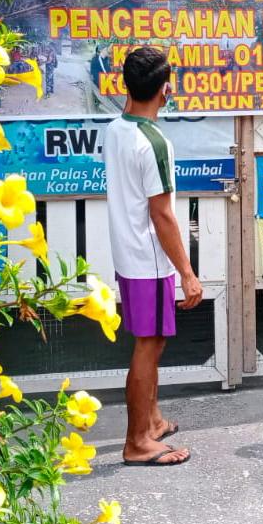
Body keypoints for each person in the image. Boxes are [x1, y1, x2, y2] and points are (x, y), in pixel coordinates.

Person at [104, 46, 202, 466]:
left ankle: (154, 420)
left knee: (151, 341)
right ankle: (137, 441)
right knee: (150, 344)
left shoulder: (114, 129)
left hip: (130, 254)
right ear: (166, 90)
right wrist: (188, 273)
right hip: (150, 259)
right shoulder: (154, 142)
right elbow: (162, 215)